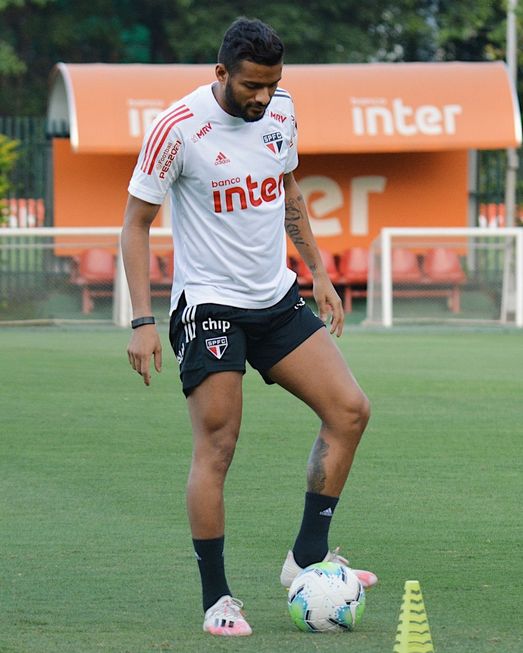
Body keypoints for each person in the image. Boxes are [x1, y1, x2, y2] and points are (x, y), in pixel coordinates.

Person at [122, 16, 377, 637]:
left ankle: (306, 559)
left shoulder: (282, 111)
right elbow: (135, 224)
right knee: (218, 446)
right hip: (208, 306)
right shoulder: (177, 130)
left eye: (272, 84)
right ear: (221, 73)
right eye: (251, 87)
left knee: (350, 410)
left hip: (275, 297)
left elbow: (288, 189)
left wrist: (316, 269)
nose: (263, 97)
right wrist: (142, 320)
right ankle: (218, 600)